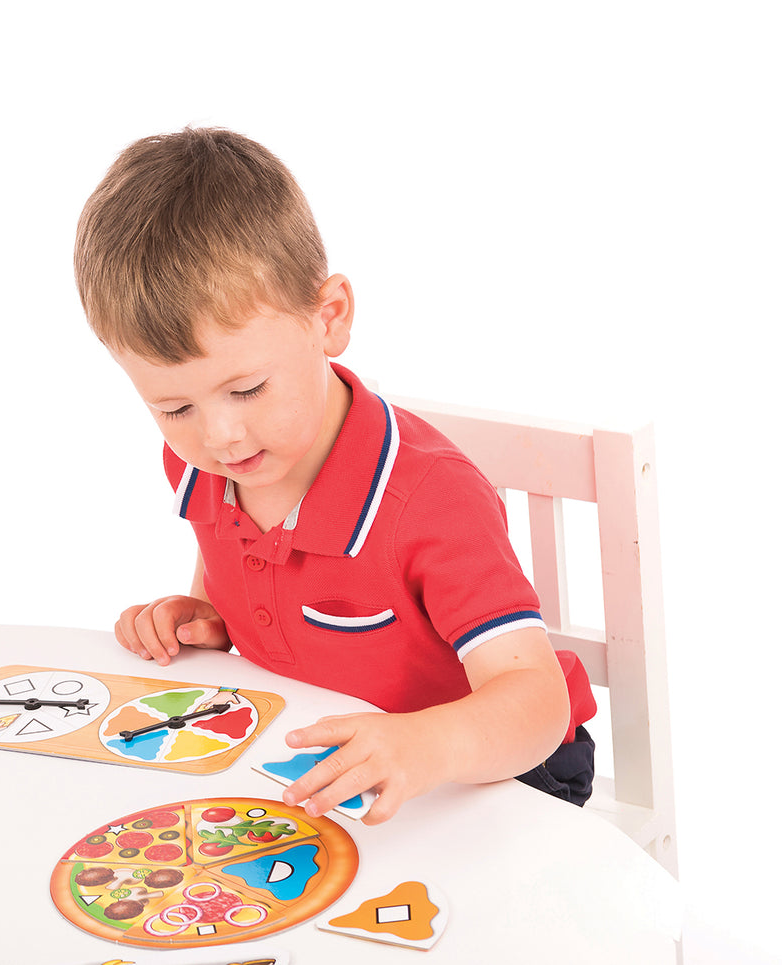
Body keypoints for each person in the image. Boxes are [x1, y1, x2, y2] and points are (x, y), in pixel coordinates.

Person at [74, 127, 595, 824]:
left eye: (247, 389)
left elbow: (536, 700)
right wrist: (208, 618)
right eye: (174, 407)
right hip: (329, 761)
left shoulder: (429, 498)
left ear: (329, 318)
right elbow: (231, 565)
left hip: (496, 769)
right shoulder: (203, 464)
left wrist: (423, 746)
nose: (219, 436)